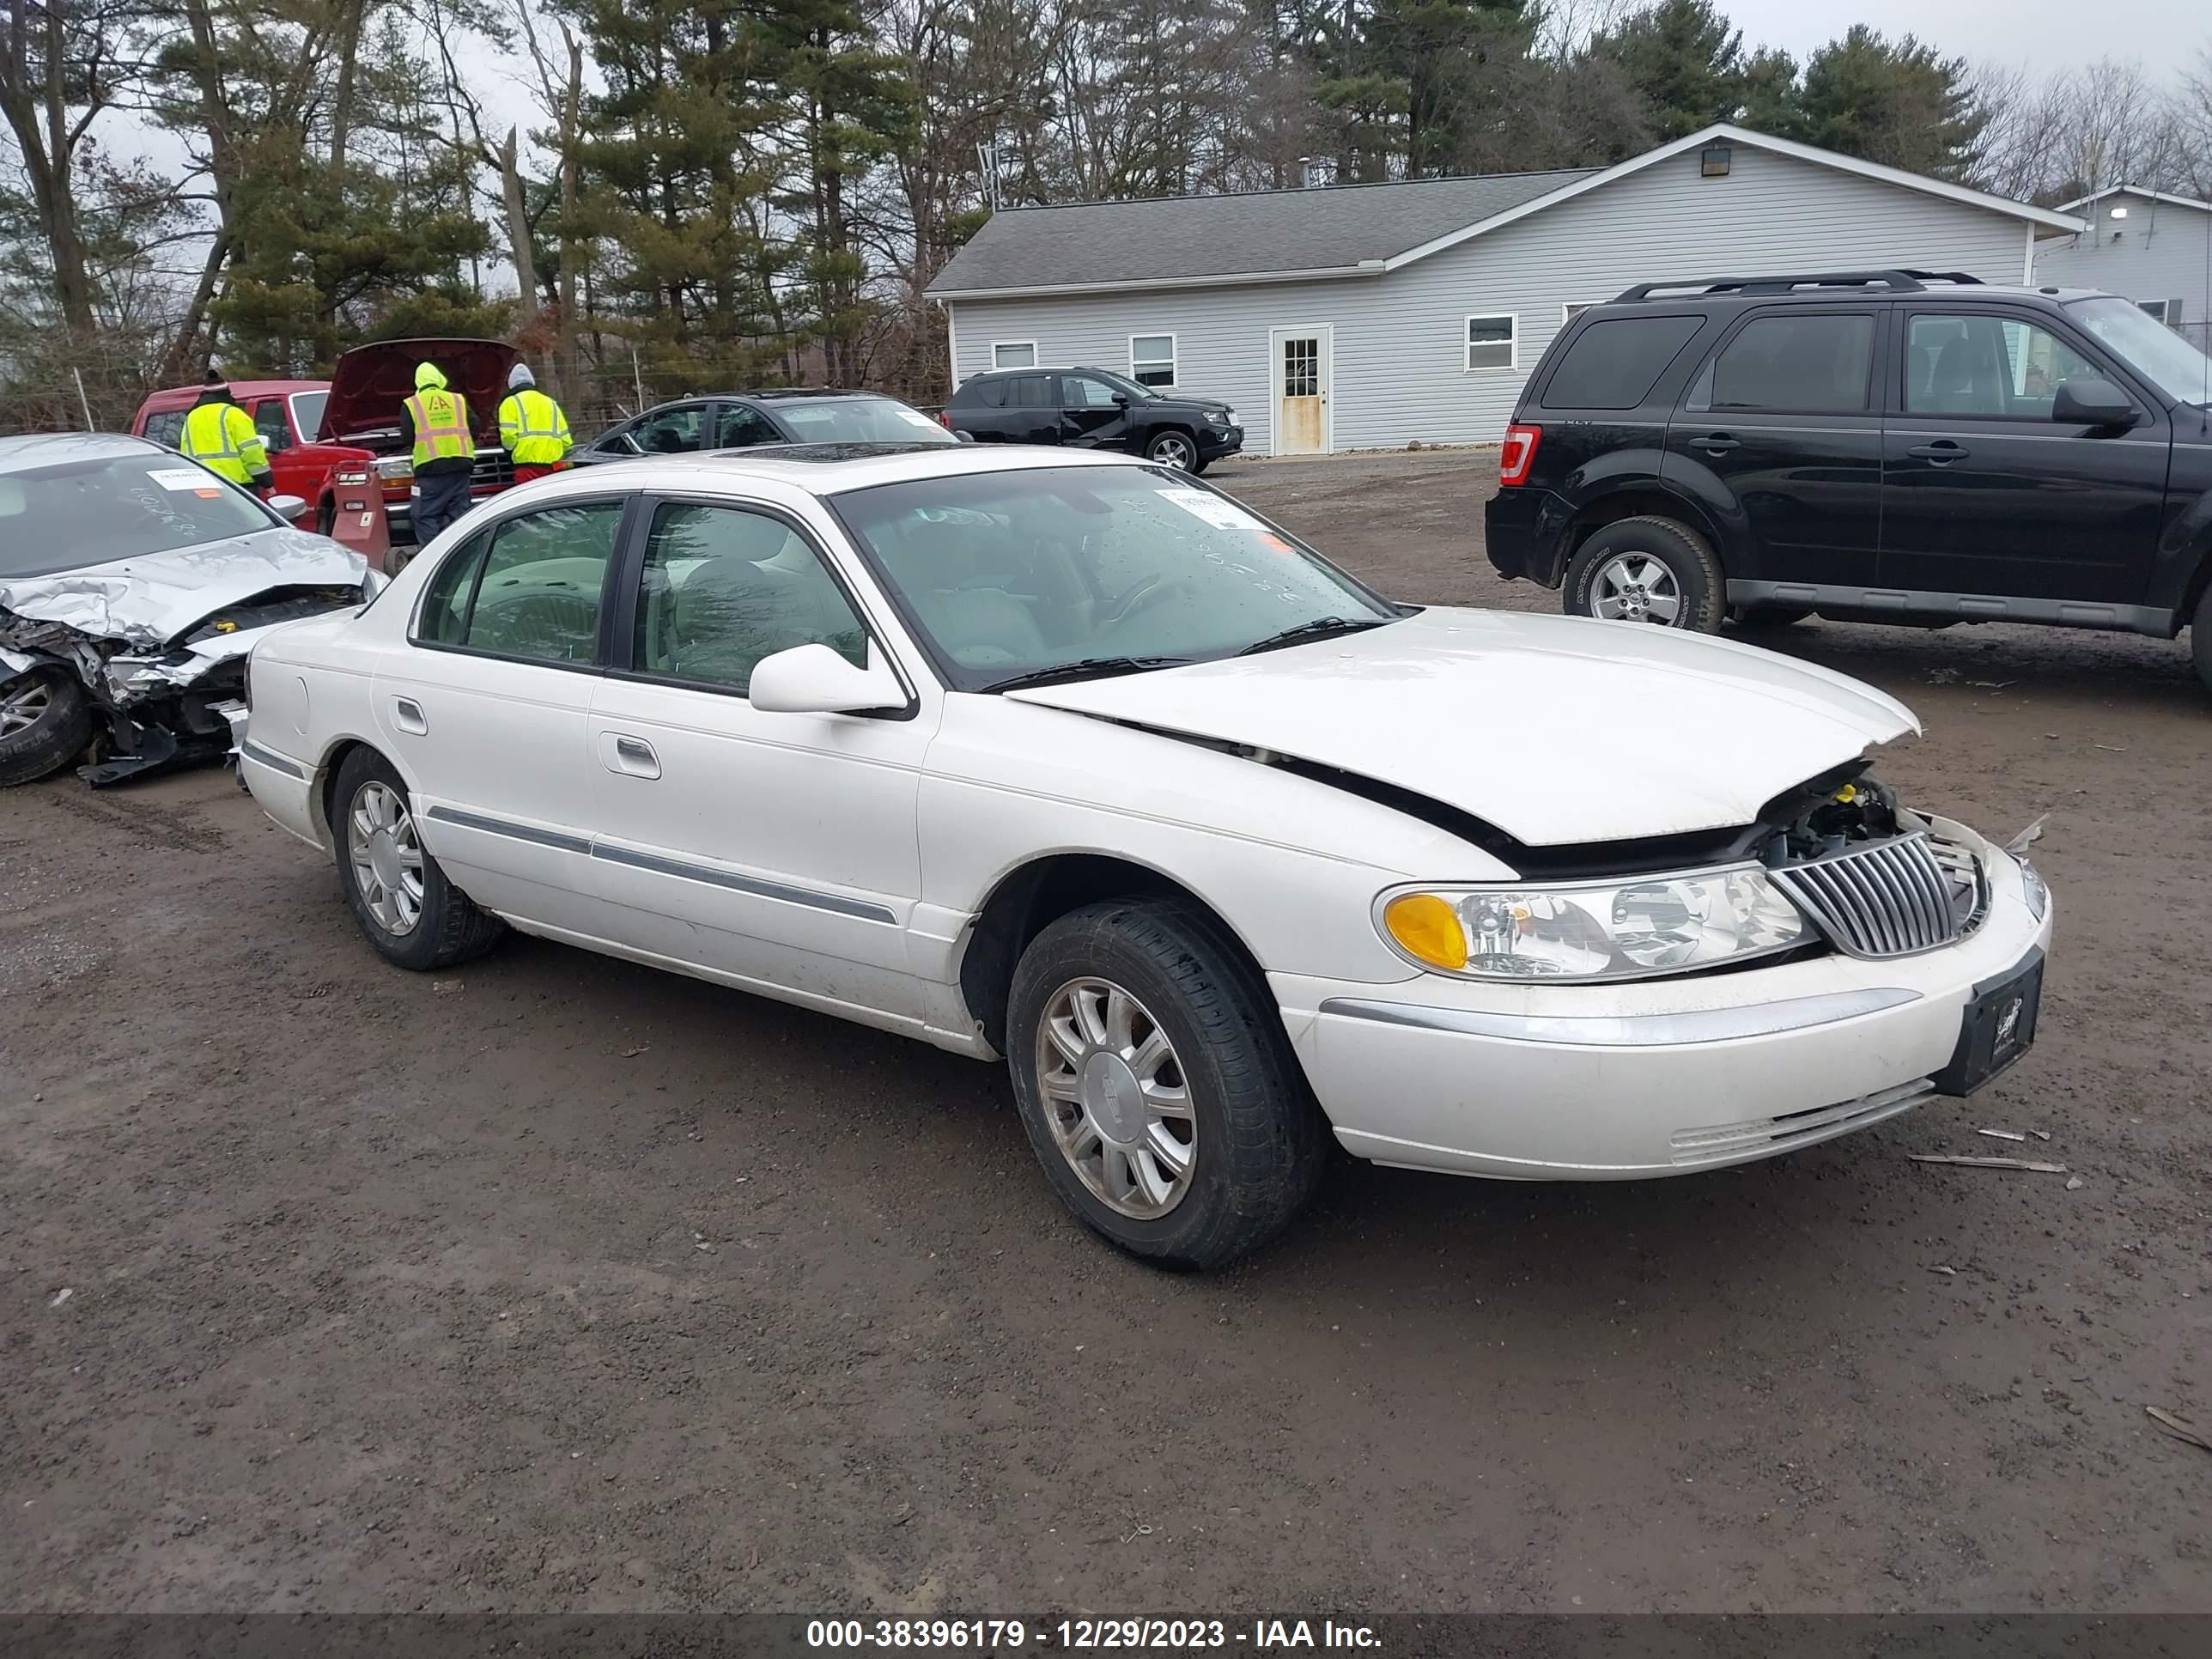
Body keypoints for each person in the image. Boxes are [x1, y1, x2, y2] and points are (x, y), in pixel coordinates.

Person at [400, 361, 476, 545]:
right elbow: (475, 426)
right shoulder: (457, 399)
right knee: (461, 516)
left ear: (418, 382)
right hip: (461, 468)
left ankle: (434, 558)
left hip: (431, 470)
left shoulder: (411, 404)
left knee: (424, 516)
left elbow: (407, 437)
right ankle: (465, 555)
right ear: (439, 378)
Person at [180, 369, 273, 497]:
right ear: (226, 392)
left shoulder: (191, 417)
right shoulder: (234, 415)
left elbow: (185, 452)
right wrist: (267, 483)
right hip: (237, 487)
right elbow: (251, 451)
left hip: (202, 486)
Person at [496, 362, 574, 483]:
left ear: (510, 384)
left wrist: (512, 453)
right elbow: (566, 441)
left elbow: (508, 437)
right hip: (553, 467)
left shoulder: (510, 403)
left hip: (526, 466)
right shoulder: (551, 403)